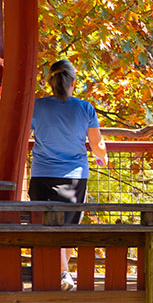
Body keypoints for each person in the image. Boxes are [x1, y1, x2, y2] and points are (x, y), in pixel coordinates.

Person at [29, 59, 107, 291]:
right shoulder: (85, 108)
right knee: (68, 228)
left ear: (50, 82)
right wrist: (102, 157)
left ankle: (59, 273)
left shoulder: (37, 106)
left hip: (41, 175)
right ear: (73, 82)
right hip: (75, 177)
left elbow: (22, 134)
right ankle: (63, 272)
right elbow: (97, 143)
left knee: (47, 228)